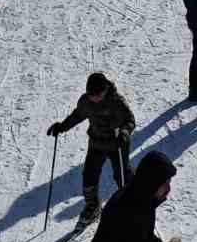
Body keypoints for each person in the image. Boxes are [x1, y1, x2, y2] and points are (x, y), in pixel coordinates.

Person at [46, 72, 136, 226]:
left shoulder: (116, 102)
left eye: (98, 95)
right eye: (92, 96)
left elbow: (130, 120)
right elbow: (77, 115)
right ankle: (92, 206)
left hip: (117, 143)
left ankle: (131, 203)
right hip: (97, 142)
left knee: (122, 175)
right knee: (89, 174)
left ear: (105, 90)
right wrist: (62, 126)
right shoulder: (86, 101)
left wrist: (125, 132)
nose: (95, 99)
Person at [82, 150, 180, 242]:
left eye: (169, 181)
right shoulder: (127, 210)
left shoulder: (144, 200)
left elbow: (140, 234)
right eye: (165, 183)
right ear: (153, 181)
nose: (169, 188)